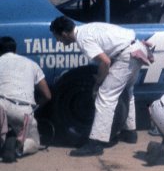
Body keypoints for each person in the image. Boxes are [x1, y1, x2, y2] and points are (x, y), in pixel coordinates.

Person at [50, 16, 154, 157]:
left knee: (105, 96)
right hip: (136, 50)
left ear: (64, 34)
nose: (59, 41)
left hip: (127, 55)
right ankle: (130, 133)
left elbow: (105, 62)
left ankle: (96, 144)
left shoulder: (83, 39)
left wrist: (98, 83)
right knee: (127, 91)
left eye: (58, 38)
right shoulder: (87, 29)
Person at [0, 36, 52, 163]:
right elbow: (47, 95)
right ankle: (19, 147)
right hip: (23, 110)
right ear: (15, 50)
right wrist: (34, 110)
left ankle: (3, 142)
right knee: (35, 142)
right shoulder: (32, 64)